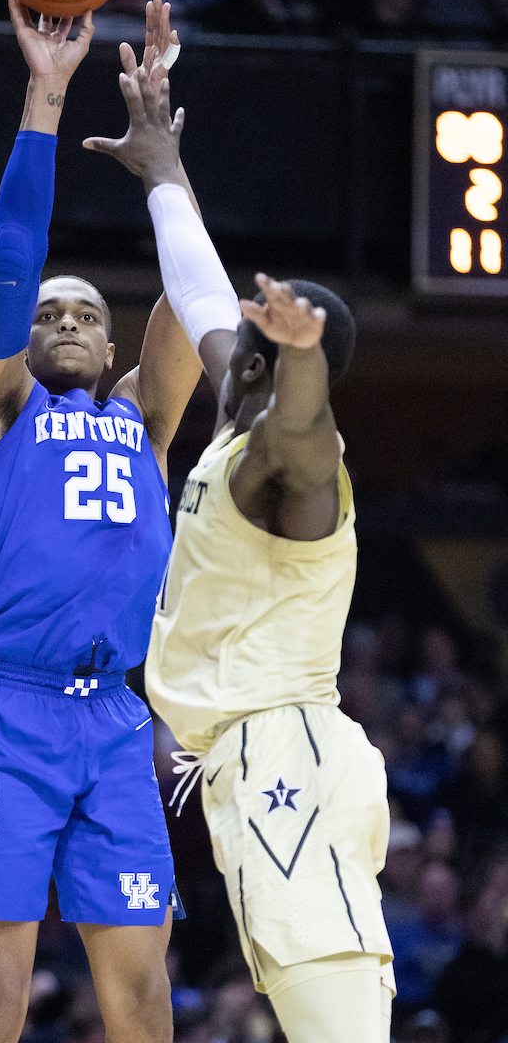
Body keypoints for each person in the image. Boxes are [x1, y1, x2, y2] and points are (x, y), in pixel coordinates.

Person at [84, 69, 394, 1041]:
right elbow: (198, 288)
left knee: (336, 1019)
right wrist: (162, 167)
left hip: (284, 754)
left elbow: (301, 427)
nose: (238, 338)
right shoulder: (236, 408)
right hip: (250, 759)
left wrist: (299, 361)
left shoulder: (293, 462)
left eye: (257, 339)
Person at [0, 0, 212, 1043]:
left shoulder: (144, 418)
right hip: (3, 712)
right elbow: (13, 259)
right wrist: (44, 97)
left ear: (110, 349)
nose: (61, 320)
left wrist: (164, 161)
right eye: (49, 312)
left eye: (84, 315)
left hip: (113, 719)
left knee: (143, 1004)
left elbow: (193, 298)